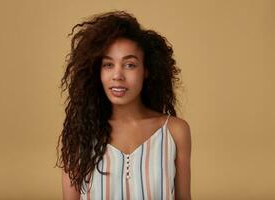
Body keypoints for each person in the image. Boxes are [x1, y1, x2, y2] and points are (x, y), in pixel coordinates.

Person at [55, 10, 192, 200]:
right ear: (97, 72)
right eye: (108, 65)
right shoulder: (80, 136)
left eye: (130, 65)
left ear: (146, 70)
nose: (117, 75)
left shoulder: (175, 132)